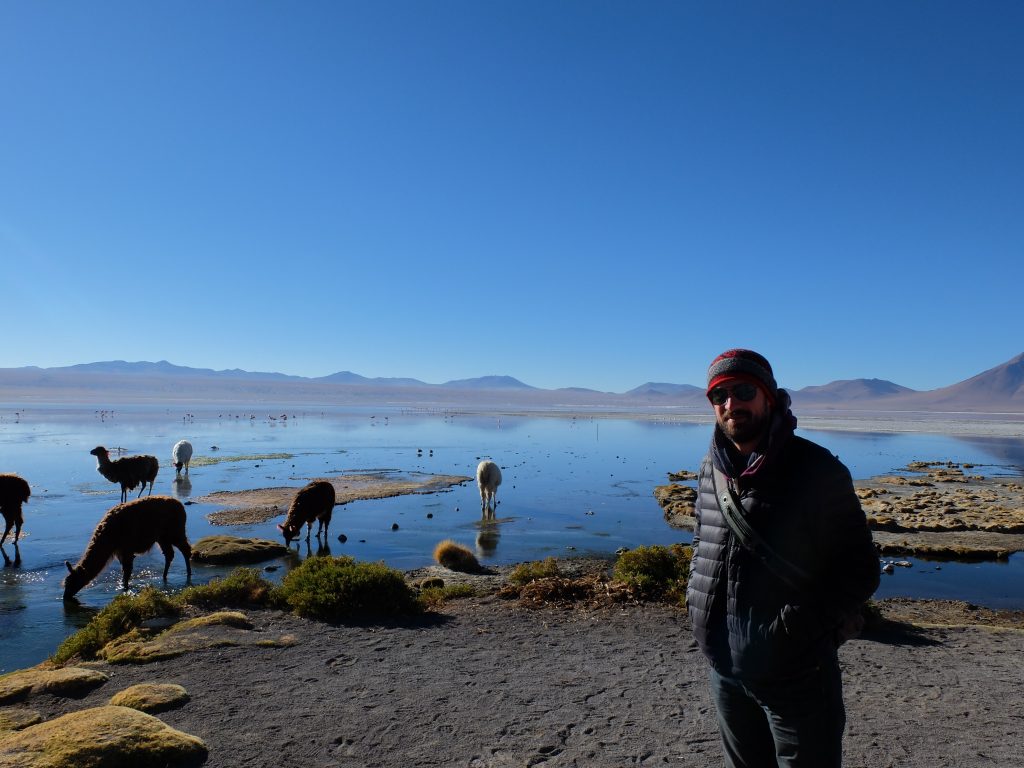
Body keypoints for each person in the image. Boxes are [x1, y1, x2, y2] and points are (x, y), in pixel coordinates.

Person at [686, 349, 880, 768]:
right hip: (725, 668)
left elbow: (860, 570)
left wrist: (791, 634)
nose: (730, 404)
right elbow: (702, 544)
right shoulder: (710, 469)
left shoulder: (815, 469)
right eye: (719, 395)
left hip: (797, 674)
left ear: (769, 397)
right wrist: (696, 606)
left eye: (742, 391)